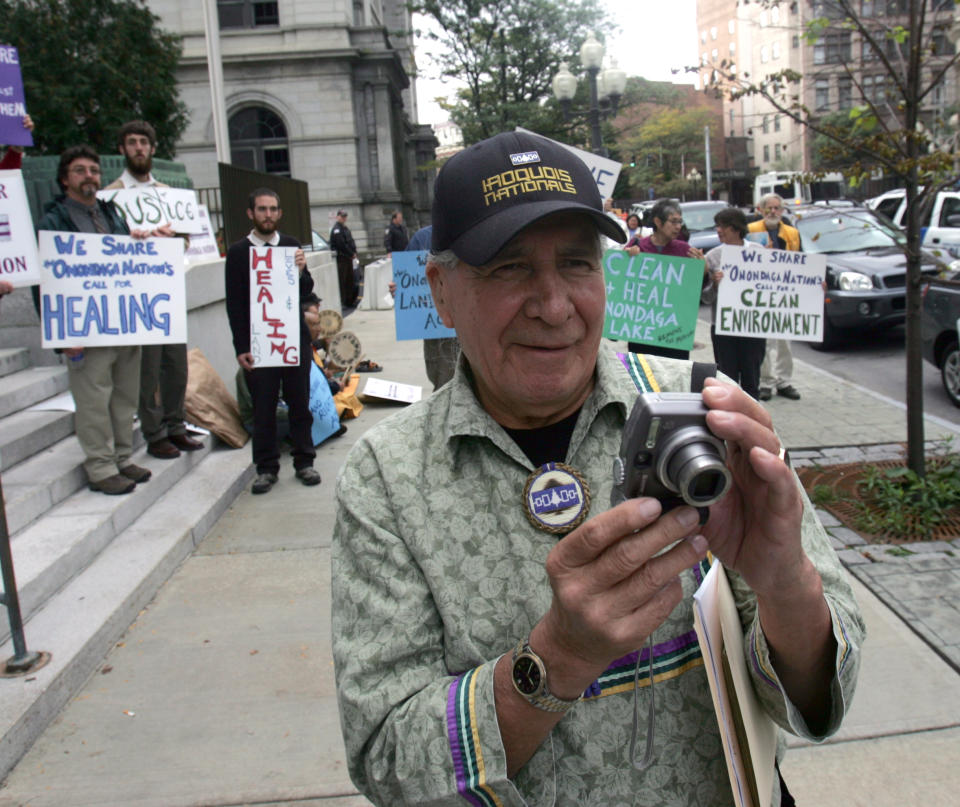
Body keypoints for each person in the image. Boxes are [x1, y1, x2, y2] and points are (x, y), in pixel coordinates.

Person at [332, 130, 863, 806]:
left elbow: (822, 695)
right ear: (441, 290)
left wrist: (785, 578)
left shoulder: (703, 408)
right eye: (509, 267)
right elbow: (386, 756)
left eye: (577, 264)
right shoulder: (387, 476)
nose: (554, 306)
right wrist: (557, 657)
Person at [35, 146, 156, 495]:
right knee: (93, 401)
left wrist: (138, 242)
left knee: (123, 397)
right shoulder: (54, 220)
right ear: (65, 179)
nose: (88, 176)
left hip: (123, 324)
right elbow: (47, 280)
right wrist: (60, 334)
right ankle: (100, 466)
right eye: (79, 170)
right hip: (83, 331)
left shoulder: (111, 213)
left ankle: (122, 457)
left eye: (93, 170)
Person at [104, 119, 203, 459]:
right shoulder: (112, 197)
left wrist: (171, 237)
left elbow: (186, 238)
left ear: (153, 148)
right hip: (137, 294)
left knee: (176, 364)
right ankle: (154, 430)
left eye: (143, 142)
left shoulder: (167, 195)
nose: (138, 148)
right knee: (147, 369)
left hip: (168, 289)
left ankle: (177, 424)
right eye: (131, 143)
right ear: (122, 149)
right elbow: (107, 245)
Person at [224, 188, 321, 494]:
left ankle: (305, 461)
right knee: (264, 407)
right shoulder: (239, 252)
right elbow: (235, 304)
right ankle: (266, 468)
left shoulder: (291, 246)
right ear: (251, 214)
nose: (268, 215)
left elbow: (306, 291)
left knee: (299, 403)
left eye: (273, 209)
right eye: (262, 209)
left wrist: (303, 270)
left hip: (292, 338)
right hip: (260, 343)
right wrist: (241, 347)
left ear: (280, 213)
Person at [623, 198, 705, 360]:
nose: (678, 226)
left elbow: (694, 290)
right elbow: (622, 285)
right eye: (673, 221)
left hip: (674, 334)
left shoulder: (685, 251)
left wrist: (703, 269)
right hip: (642, 332)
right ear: (658, 222)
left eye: (680, 222)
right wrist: (627, 259)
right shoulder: (638, 246)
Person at [702, 208, 767, 399]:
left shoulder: (758, 252)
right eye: (717, 226)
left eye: (723, 226)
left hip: (752, 326)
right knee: (727, 380)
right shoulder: (712, 256)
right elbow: (705, 299)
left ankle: (752, 418)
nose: (718, 230)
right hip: (723, 329)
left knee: (751, 379)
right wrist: (714, 284)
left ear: (736, 228)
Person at [748, 194, 802, 401]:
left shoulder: (792, 234)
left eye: (777, 208)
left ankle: (784, 381)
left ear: (782, 210)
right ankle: (766, 382)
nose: (773, 212)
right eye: (769, 208)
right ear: (760, 210)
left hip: (784, 294)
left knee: (784, 342)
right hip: (760, 293)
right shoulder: (752, 231)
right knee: (765, 342)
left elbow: (802, 262)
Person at [405, 224, 459, 390]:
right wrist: (399, 287)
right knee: (443, 380)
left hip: (474, 321)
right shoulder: (422, 238)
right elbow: (406, 275)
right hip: (437, 328)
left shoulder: (480, 230)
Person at [329, 209, 358, 309]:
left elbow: (350, 241)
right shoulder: (337, 229)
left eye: (345, 216)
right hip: (342, 259)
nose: (344, 218)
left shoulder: (345, 228)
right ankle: (343, 301)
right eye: (342, 216)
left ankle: (349, 300)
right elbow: (341, 244)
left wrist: (354, 252)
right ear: (338, 217)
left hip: (348, 258)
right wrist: (351, 253)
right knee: (342, 281)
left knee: (350, 280)